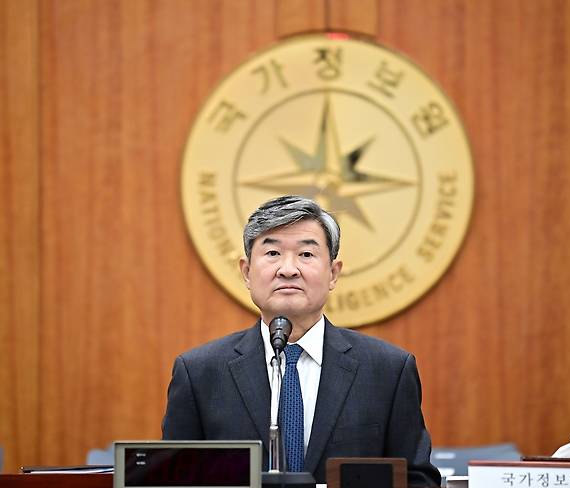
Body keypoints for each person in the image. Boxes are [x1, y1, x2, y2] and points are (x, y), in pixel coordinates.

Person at [162, 195, 441, 485]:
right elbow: (173, 480)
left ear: (333, 273)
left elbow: (418, 479)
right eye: (272, 254)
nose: (288, 269)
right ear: (246, 272)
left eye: (306, 255)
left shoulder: (388, 370)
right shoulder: (199, 373)